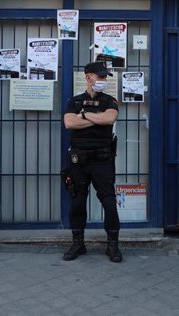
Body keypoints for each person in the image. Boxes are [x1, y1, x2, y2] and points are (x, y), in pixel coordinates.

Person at [62, 61, 122, 262]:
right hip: (79, 161)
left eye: (105, 77)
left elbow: (109, 120)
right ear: (88, 77)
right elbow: (70, 122)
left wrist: (85, 115)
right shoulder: (74, 101)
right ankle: (78, 244)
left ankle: (113, 245)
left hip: (102, 160)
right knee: (77, 201)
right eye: (100, 76)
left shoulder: (110, 101)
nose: (104, 80)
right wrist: (96, 117)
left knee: (109, 202)